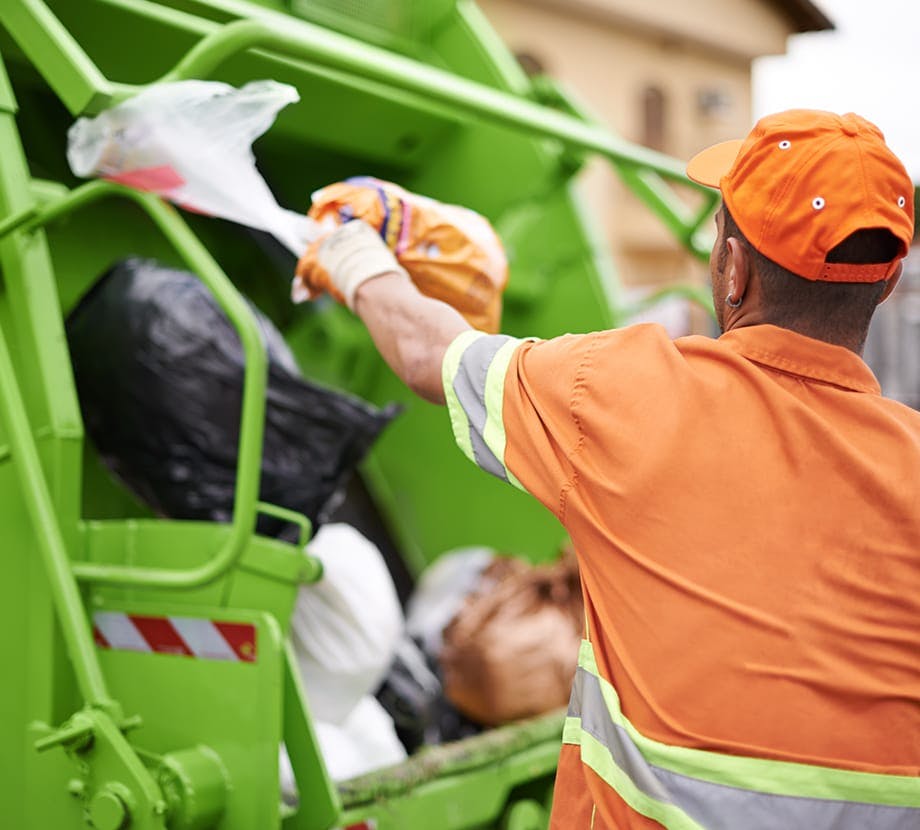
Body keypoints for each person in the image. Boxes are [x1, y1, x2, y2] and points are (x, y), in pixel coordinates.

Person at [296, 109, 920, 829]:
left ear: (735, 269)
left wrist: (354, 255)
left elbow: (423, 353)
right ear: (886, 282)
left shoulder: (624, 393)